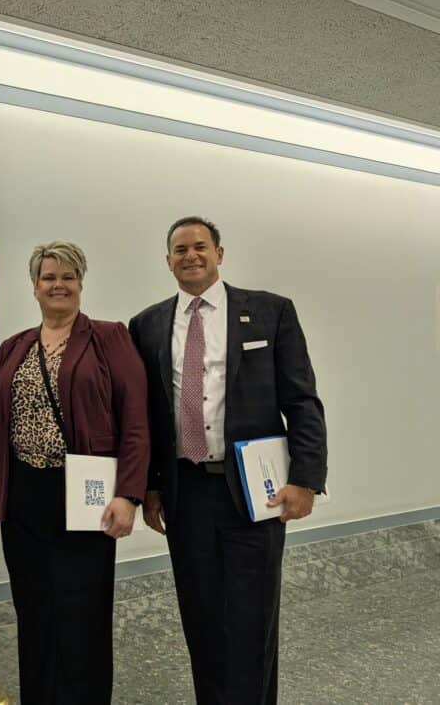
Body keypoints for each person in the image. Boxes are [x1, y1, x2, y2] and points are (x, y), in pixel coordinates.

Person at [128, 216, 327, 705]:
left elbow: (301, 400)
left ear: (220, 253)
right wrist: (150, 485)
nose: (190, 255)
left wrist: (305, 479)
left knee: (250, 621)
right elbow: (148, 413)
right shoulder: (148, 324)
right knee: (201, 619)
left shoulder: (269, 312)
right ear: (167, 260)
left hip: (253, 491)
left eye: (200, 246)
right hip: (185, 492)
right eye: (179, 249)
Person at [0, 241, 149, 705]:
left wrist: (129, 494)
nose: (59, 285)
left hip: (86, 495)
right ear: (35, 288)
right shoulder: (13, 347)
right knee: (35, 611)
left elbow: (135, 420)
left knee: (82, 613)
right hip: (23, 495)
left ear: (81, 284)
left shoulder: (109, 337)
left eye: (68, 277)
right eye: (49, 277)